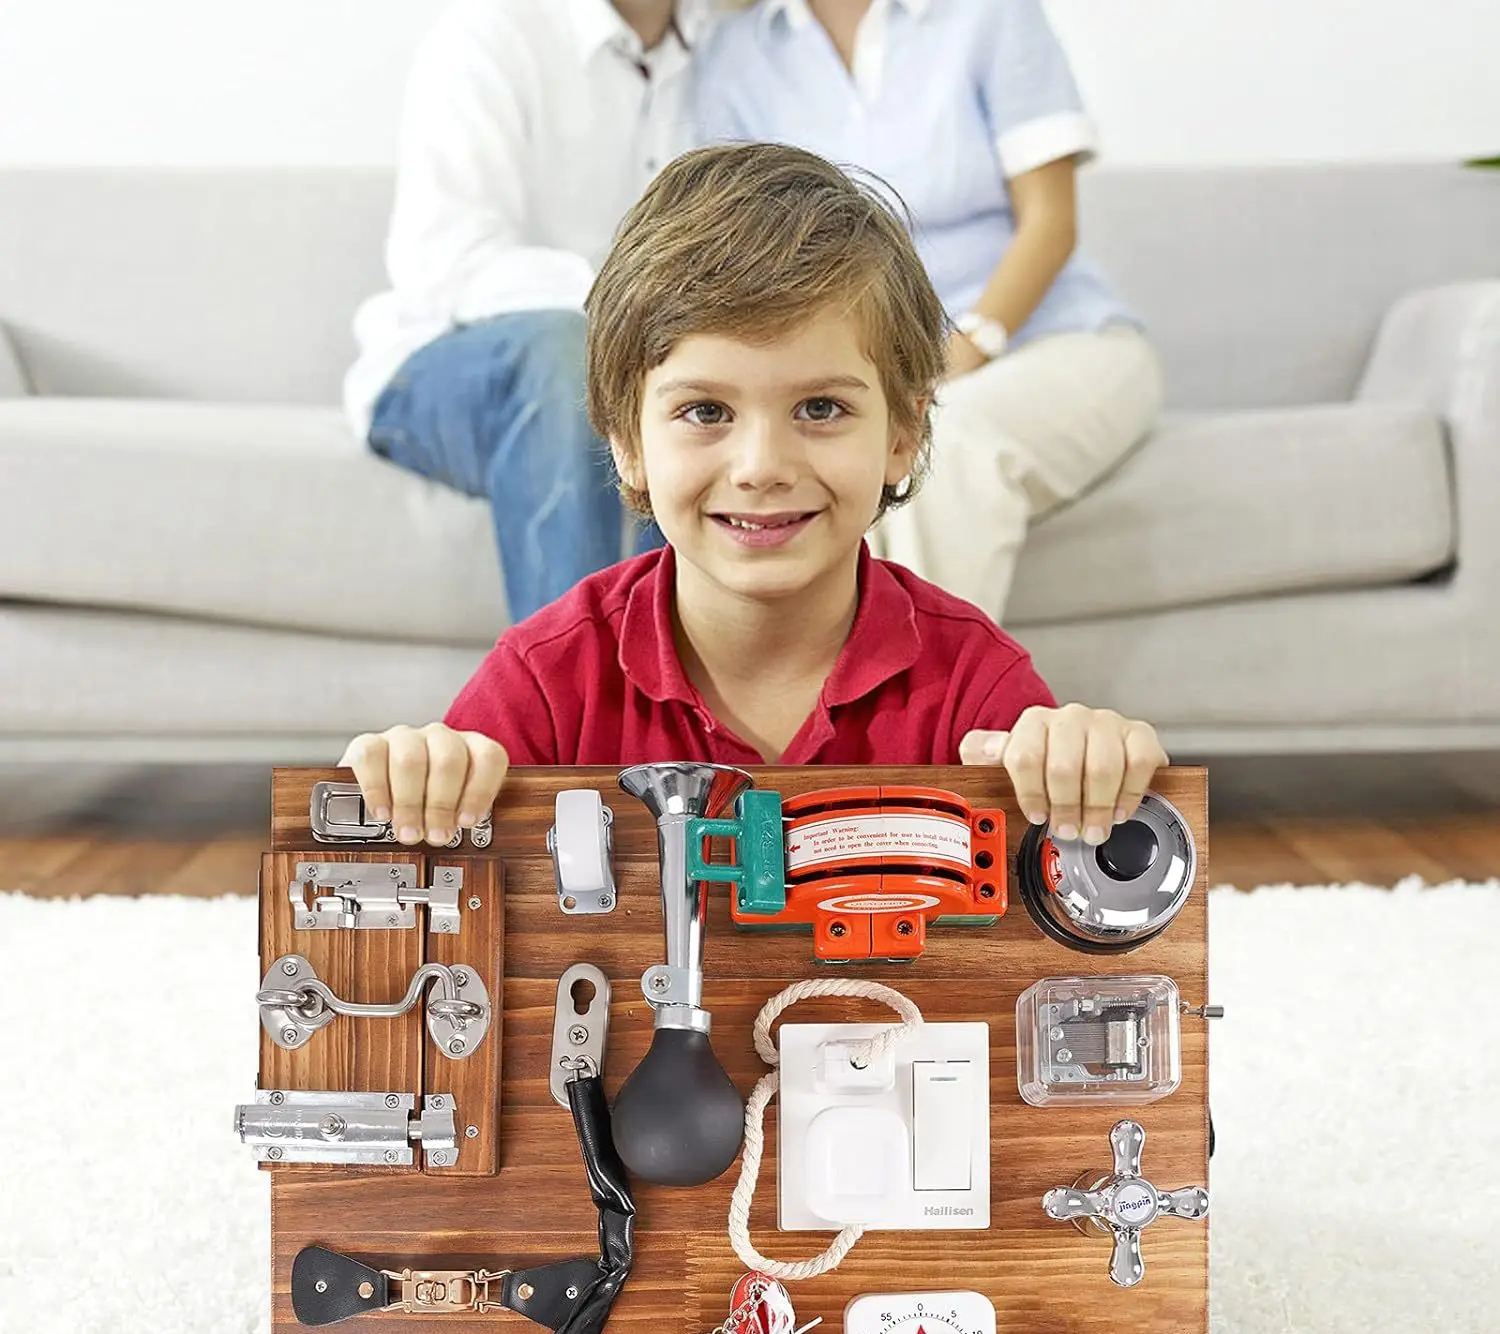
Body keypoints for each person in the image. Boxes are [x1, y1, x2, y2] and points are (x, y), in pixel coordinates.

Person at [339, 143, 1169, 851]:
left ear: (902, 435)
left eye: (820, 409)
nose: (762, 466)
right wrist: (423, 775)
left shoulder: (975, 684)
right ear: (627, 440)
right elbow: (450, 874)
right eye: (706, 412)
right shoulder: (546, 679)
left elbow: (1053, 878)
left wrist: (1081, 760)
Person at [692, 0, 1164, 623]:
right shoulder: (732, 55)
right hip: (868, 373)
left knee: (947, 449)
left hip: (1056, 341)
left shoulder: (990, 17)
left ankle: (915, 712)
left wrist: (959, 352)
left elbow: (1051, 222)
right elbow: (738, 251)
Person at [343, 0, 714, 622]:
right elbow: (446, 258)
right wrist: (635, 313)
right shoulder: (494, 32)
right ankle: (568, 708)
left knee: (701, 382)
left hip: (633, 369)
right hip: (443, 369)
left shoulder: (730, 47)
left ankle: (680, 705)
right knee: (569, 353)